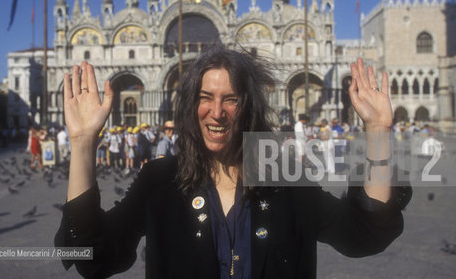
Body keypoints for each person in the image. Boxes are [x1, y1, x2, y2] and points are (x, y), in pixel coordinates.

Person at [55, 47, 410, 278]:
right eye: (205, 97)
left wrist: (378, 131)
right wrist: (83, 143)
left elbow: (362, 235)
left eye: (232, 99)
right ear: (190, 106)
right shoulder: (161, 181)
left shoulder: (284, 182)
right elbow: (93, 255)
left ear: (249, 107)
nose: (217, 112)